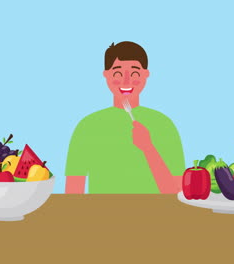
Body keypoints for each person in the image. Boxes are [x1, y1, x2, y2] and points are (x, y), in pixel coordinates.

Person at [65, 41, 185, 194]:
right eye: (117, 73)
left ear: (146, 75)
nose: (126, 81)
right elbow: (74, 191)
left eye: (135, 73)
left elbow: (176, 192)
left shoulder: (164, 125)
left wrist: (148, 148)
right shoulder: (87, 127)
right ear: (106, 75)